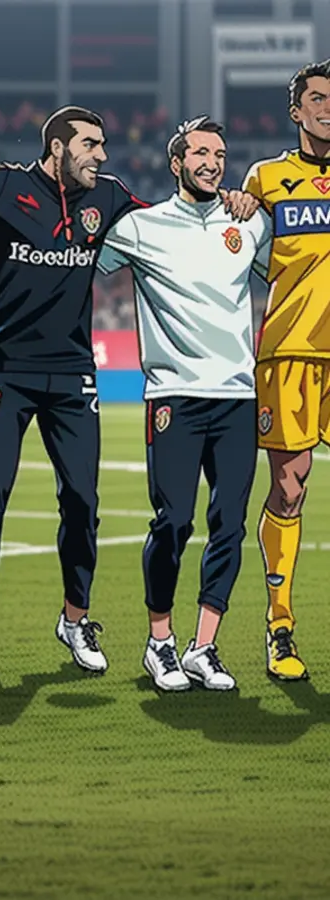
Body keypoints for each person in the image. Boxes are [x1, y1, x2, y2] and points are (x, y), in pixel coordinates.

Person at [0, 106, 255, 675]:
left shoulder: (109, 198)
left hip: (71, 373)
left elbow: (173, 224)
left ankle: (75, 618)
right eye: (91, 144)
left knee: (83, 504)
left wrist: (235, 202)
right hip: (4, 369)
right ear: (58, 148)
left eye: (104, 144)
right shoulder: (6, 183)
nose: (102, 155)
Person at [98, 117, 270, 691]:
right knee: (172, 521)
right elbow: (76, 271)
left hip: (238, 396)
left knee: (229, 524)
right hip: (173, 396)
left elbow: (299, 273)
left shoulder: (249, 224)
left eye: (219, 154)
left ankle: (204, 646)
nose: (211, 162)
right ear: (176, 164)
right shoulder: (141, 227)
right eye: (199, 153)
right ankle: (161, 642)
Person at [243, 58, 330, 681]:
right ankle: (280, 624)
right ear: (297, 110)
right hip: (291, 350)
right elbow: (234, 252)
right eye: (317, 99)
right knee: (290, 486)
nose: (328, 108)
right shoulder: (266, 178)